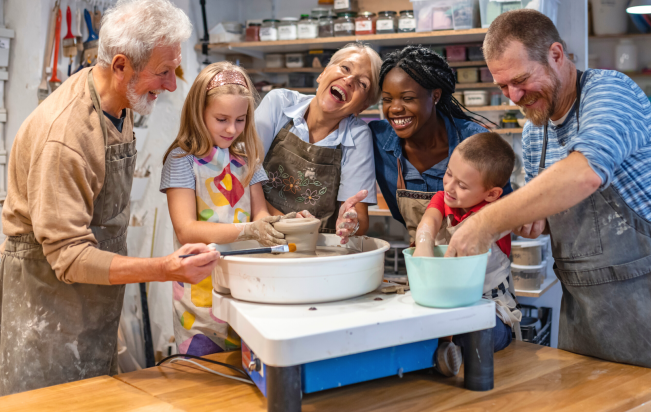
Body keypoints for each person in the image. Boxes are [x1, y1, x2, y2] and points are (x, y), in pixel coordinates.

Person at [448, 9, 651, 412]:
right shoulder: (536, 129)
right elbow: (550, 209)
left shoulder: (611, 91)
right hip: (589, 319)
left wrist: (485, 223)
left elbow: (584, 173)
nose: (514, 96)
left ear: (556, 54)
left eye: (521, 80)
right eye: (503, 86)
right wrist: (534, 221)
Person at [0, 0, 220, 396]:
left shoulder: (119, 103)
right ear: (121, 65)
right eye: (164, 72)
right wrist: (165, 268)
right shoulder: (65, 136)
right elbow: (69, 257)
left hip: (90, 298)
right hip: (48, 303)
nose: (172, 84)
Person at [161, 62, 299, 356]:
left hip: (245, 284)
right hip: (199, 289)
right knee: (205, 372)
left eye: (240, 120)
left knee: (244, 368)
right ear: (199, 112)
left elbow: (260, 213)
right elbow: (186, 230)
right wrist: (247, 230)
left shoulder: (247, 158)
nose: (231, 129)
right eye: (221, 118)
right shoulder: (182, 160)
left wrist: (287, 223)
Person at [369, 45, 512, 243]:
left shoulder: (474, 141)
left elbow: (506, 210)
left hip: (478, 259)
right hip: (420, 257)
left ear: (435, 96)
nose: (394, 108)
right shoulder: (376, 140)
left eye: (408, 98)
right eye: (386, 99)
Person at [255, 42, 381, 243]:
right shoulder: (279, 104)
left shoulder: (357, 135)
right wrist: (283, 221)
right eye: (345, 68)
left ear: (363, 106)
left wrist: (350, 224)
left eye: (362, 83)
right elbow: (242, 175)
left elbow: (360, 220)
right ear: (322, 74)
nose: (348, 80)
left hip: (318, 248)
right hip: (263, 233)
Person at [414, 132, 519, 356]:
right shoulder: (443, 199)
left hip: (489, 309)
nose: (449, 187)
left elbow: (517, 215)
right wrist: (423, 244)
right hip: (443, 301)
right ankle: (442, 355)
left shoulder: (497, 214)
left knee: (477, 335)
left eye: (462, 185)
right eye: (448, 174)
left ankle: (449, 354)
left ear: (492, 194)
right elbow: (428, 221)